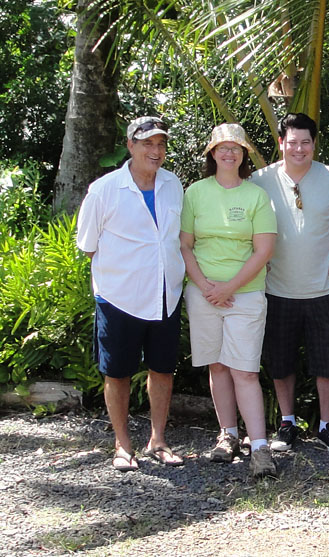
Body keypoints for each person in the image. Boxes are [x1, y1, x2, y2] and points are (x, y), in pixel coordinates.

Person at [250, 113, 329, 454]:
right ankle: (287, 422)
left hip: (324, 289)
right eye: (292, 143)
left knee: (325, 362)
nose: (299, 149)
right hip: (276, 289)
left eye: (306, 142)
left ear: (314, 144)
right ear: (281, 144)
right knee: (281, 361)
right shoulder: (260, 181)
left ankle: (326, 424)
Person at [76, 116, 185, 471]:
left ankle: (158, 440)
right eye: (147, 144)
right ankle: (122, 446)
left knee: (163, 369)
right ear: (130, 146)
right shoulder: (104, 190)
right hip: (118, 297)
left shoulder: (173, 184)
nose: (155, 151)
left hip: (165, 294)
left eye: (161, 144)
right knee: (117, 372)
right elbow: (88, 246)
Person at [180, 123, 277, 478]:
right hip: (204, 293)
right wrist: (206, 285)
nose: (229, 153)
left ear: (244, 155)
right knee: (217, 365)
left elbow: (264, 249)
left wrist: (229, 287)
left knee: (245, 370)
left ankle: (261, 446)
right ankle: (228, 435)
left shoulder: (255, 196)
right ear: (212, 153)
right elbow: (185, 244)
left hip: (245, 294)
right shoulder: (195, 193)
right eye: (222, 147)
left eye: (236, 148)